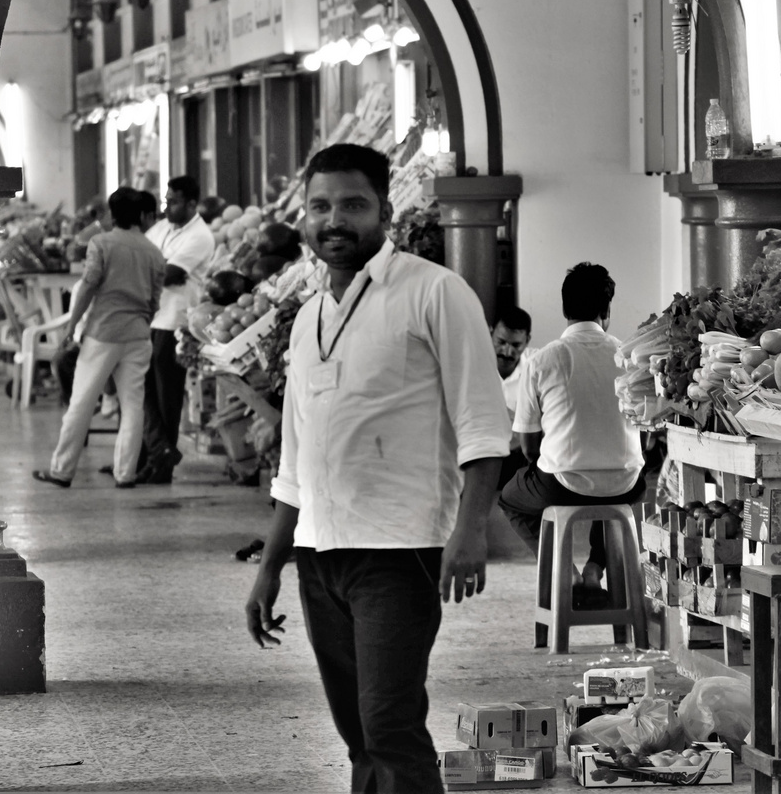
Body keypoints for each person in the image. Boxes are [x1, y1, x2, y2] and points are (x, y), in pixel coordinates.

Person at [244, 143, 509, 793]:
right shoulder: (308, 320)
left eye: (353, 205)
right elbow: (294, 460)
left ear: (385, 211)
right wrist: (271, 565)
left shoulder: (434, 293)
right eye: (321, 206)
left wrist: (470, 532)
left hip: (399, 548)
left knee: (390, 723)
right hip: (319, 554)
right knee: (358, 733)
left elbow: (483, 426)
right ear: (304, 217)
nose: (335, 220)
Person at [499, 263, 646, 593]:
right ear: (606, 310)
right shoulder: (629, 357)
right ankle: (595, 568)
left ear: (564, 308)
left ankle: (566, 571)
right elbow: (643, 427)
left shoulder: (543, 360)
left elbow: (528, 446)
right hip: (627, 482)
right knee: (612, 500)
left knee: (510, 499)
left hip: (562, 484)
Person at [32, 187, 165, 489]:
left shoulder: (102, 243)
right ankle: (126, 474)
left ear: (111, 213)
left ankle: (62, 470)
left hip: (103, 334)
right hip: (139, 335)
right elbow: (155, 300)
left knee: (81, 402)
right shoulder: (153, 252)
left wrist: (71, 326)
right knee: (133, 406)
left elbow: (90, 284)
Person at [139, 175, 213, 483]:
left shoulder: (200, 236)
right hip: (152, 318)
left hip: (175, 322)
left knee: (166, 397)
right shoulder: (162, 228)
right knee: (145, 393)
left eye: (176, 201)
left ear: (193, 204)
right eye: (167, 200)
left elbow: (169, 275)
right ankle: (148, 455)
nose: (168, 206)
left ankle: (162, 463)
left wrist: (158, 268)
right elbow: (147, 261)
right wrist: (159, 267)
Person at [491, 305, 534, 491]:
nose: (507, 352)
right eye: (501, 342)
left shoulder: (537, 366)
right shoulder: (470, 362)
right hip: (477, 451)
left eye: (516, 345)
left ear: (527, 341)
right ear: (490, 333)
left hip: (519, 455)